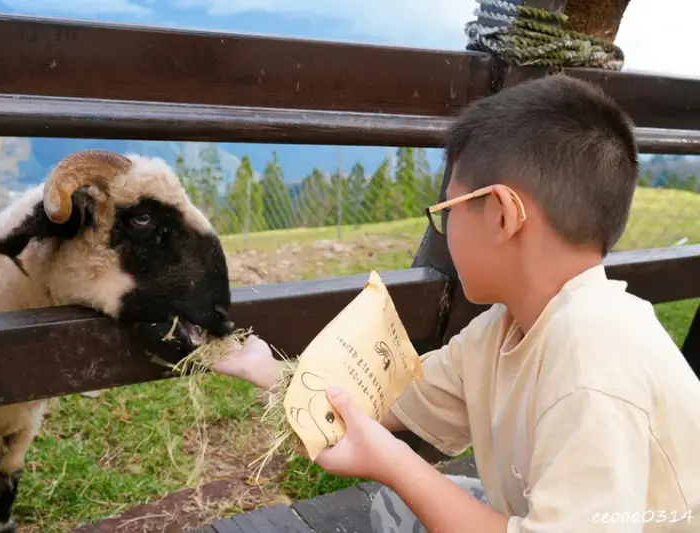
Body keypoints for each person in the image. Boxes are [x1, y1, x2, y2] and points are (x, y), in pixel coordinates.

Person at [211, 75, 700, 532]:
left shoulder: (595, 360)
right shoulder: (503, 330)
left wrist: (395, 464)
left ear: (503, 215)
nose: (445, 230)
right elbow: (386, 400)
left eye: (447, 210)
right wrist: (267, 370)